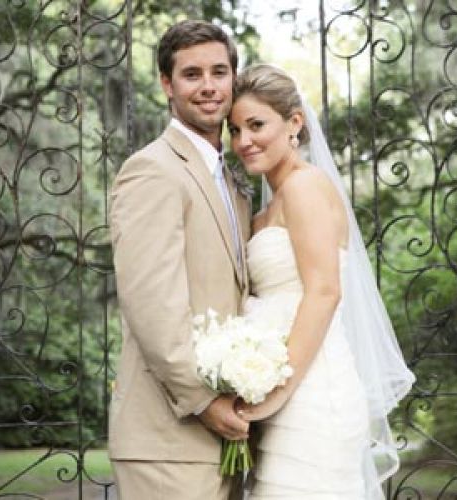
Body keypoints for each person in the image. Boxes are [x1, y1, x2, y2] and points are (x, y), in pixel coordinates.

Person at [228, 64, 416, 499]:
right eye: (234, 130)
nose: (243, 141)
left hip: (313, 394)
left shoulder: (305, 187)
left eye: (256, 125)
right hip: (283, 390)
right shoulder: (265, 211)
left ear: (294, 123)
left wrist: (276, 392)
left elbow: (324, 292)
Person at [108, 20, 251, 500]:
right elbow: (152, 304)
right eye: (192, 75)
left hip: (220, 438)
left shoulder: (231, 181)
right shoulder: (152, 170)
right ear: (167, 85)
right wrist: (204, 401)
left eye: (219, 72)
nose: (209, 86)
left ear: (233, 78)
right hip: (167, 440)